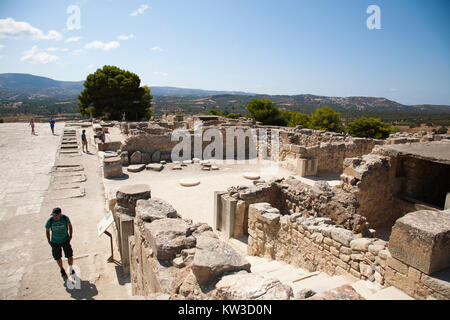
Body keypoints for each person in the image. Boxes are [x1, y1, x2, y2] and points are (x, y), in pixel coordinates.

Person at [45, 208, 74, 279]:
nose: (54, 217)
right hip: (55, 242)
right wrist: (49, 240)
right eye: (53, 215)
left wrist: (70, 236)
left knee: (69, 255)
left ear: (60, 214)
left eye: (56, 215)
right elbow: (47, 230)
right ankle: (62, 269)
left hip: (65, 240)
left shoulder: (65, 218)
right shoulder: (50, 220)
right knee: (57, 257)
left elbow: (70, 226)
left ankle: (70, 268)